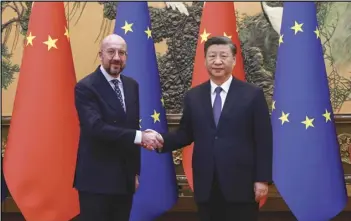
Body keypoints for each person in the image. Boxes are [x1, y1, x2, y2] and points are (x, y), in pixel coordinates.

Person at [147, 36, 273, 221]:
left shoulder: (252, 94)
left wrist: (262, 179)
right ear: (205, 60)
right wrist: (159, 140)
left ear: (234, 60)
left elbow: (263, 139)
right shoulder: (194, 96)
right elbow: (185, 133)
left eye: (223, 56)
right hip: (207, 185)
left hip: (242, 185)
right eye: (212, 56)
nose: (217, 61)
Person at [73, 34, 160, 221]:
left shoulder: (131, 86)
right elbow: (95, 128)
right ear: (100, 54)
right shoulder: (86, 87)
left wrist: (134, 172)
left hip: (124, 179)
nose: (116, 57)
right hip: (96, 180)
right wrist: (140, 136)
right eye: (111, 51)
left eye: (121, 53)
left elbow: (132, 126)